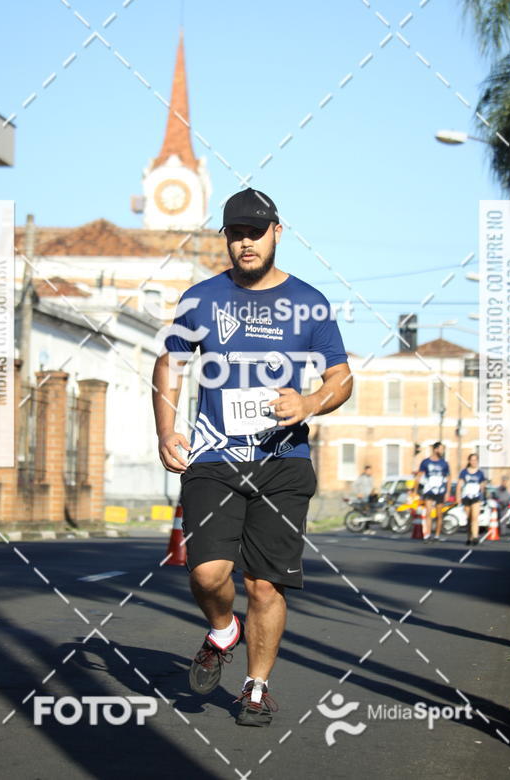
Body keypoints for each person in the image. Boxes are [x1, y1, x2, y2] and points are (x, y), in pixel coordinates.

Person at [152, 188, 351, 727]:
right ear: (226, 237)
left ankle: (256, 687)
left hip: (282, 460)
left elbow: (341, 377)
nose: (245, 242)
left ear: (277, 233)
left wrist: (310, 401)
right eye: (235, 233)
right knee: (207, 572)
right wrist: (167, 430)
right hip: (214, 456)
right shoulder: (200, 299)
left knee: (265, 584)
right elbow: (168, 365)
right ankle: (222, 630)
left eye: (255, 232)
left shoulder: (309, 302)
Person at [413, 442, 451, 541]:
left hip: (440, 491)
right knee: (428, 513)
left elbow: (448, 478)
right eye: (441, 449)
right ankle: (427, 535)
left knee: (439, 514)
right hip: (429, 490)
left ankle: (437, 535)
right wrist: (415, 490)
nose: (442, 451)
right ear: (435, 449)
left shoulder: (444, 463)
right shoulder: (426, 462)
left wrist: (448, 492)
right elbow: (419, 475)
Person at [456, 453, 486, 547]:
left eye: (475, 460)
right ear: (469, 461)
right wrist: (458, 497)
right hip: (466, 497)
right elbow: (459, 485)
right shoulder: (464, 472)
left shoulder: (480, 473)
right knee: (469, 519)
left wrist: (482, 496)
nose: (474, 462)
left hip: (476, 497)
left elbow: (482, 486)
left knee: (475, 517)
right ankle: (469, 537)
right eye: (472, 460)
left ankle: (475, 537)